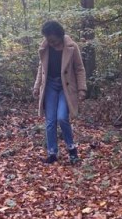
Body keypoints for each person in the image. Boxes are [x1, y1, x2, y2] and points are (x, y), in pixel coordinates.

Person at [32, 20, 87, 164]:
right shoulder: (45, 47)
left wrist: (82, 89)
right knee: (50, 121)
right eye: (48, 40)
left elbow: (79, 69)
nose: (51, 43)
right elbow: (41, 68)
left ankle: (72, 150)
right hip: (50, 85)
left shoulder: (72, 47)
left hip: (66, 87)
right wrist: (37, 86)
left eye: (53, 40)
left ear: (59, 35)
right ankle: (52, 153)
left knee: (62, 118)